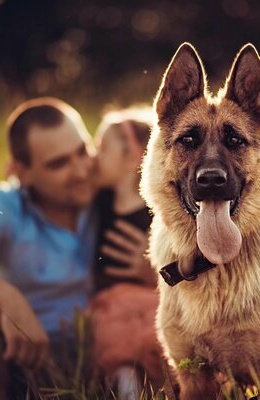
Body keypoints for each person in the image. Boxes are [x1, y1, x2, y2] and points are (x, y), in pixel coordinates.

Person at [0, 98, 149, 399]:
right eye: (58, 164)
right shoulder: (7, 206)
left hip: (109, 352)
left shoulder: (105, 194)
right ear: (20, 172)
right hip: (25, 360)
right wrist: (7, 299)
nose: (80, 171)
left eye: (82, 151)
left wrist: (154, 268)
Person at [88, 108, 163, 399]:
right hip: (112, 305)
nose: (94, 157)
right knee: (118, 350)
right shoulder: (100, 200)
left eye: (102, 148)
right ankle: (128, 390)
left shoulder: (157, 211)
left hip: (151, 301)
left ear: (133, 159)